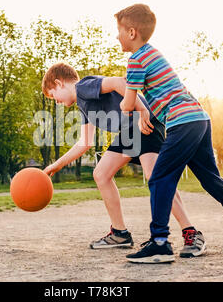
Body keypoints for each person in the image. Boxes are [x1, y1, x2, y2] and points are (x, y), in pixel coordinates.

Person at [116, 3, 223, 263]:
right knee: (210, 178)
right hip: (199, 118)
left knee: (159, 178)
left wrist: (125, 103)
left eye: (119, 31)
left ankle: (159, 243)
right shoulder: (153, 54)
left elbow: (127, 102)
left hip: (182, 122)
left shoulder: (136, 59)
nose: (117, 37)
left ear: (132, 32)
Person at [41, 62, 206, 257]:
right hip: (129, 133)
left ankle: (191, 233)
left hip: (142, 123)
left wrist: (142, 110)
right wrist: (57, 164)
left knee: (155, 177)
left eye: (53, 96)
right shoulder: (83, 105)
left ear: (59, 83)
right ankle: (119, 233)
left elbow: (119, 82)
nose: (56, 102)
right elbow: (84, 143)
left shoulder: (83, 87)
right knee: (101, 174)